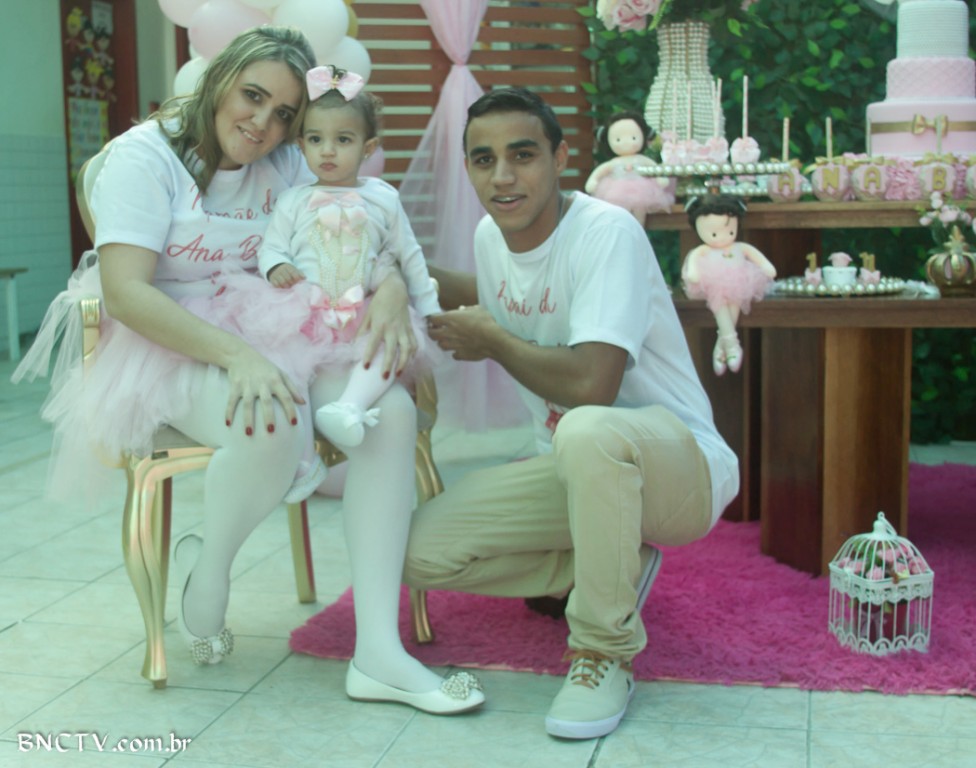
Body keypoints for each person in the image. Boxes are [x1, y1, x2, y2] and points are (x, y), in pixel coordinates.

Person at [13, 27, 482, 715]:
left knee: (389, 415)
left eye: (285, 113)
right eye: (252, 96)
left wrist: (388, 285)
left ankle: (378, 654)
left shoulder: (287, 161)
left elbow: (357, 229)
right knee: (268, 417)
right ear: (218, 80)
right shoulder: (144, 159)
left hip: (280, 322)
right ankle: (208, 573)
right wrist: (238, 356)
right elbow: (127, 293)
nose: (264, 124)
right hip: (167, 336)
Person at [405, 88, 739, 739]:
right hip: (576, 467)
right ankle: (611, 565)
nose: (503, 176)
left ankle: (603, 651)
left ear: (560, 159)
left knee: (586, 429)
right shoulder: (490, 236)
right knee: (418, 551)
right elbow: (496, 294)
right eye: (484, 160)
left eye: (523, 155)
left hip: (681, 468)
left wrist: (494, 342)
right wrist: (390, 264)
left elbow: (593, 386)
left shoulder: (606, 232)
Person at [211, 65, 442, 504]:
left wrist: (428, 308)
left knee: (385, 346)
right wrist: (276, 266)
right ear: (301, 146)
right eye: (315, 140)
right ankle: (300, 459)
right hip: (304, 309)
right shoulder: (293, 200)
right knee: (288, 371)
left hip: (362, 309)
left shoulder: (384, 198)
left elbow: (409, 254)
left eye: (343, 140)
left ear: (368, 148)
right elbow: (271, 246)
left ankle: (351, 405)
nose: (328, 151)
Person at [681, 194, 776, 375]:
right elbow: (693, 262)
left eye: (730, 232)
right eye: (714, 234)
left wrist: (766, 267)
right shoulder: (703, 250)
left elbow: (756, 256)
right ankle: (732, 346)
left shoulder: (740, 247)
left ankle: (721, 347)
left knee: (736, 298)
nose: (722, 238)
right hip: (712, 282)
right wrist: (693, 273)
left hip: (739, 280)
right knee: (719, 301)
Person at [583, 110, 673, 227]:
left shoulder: (642, 159)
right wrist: (593, 180)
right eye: (618, 140)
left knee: (640, 207)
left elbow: (655, 168)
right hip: (616, 190)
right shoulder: (614, 162)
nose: (626, 143)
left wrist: (660, 178)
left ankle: (638, 228)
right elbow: (600, 171)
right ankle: (622, 227)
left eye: (634, 138)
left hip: (642, 190)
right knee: (618, 210)